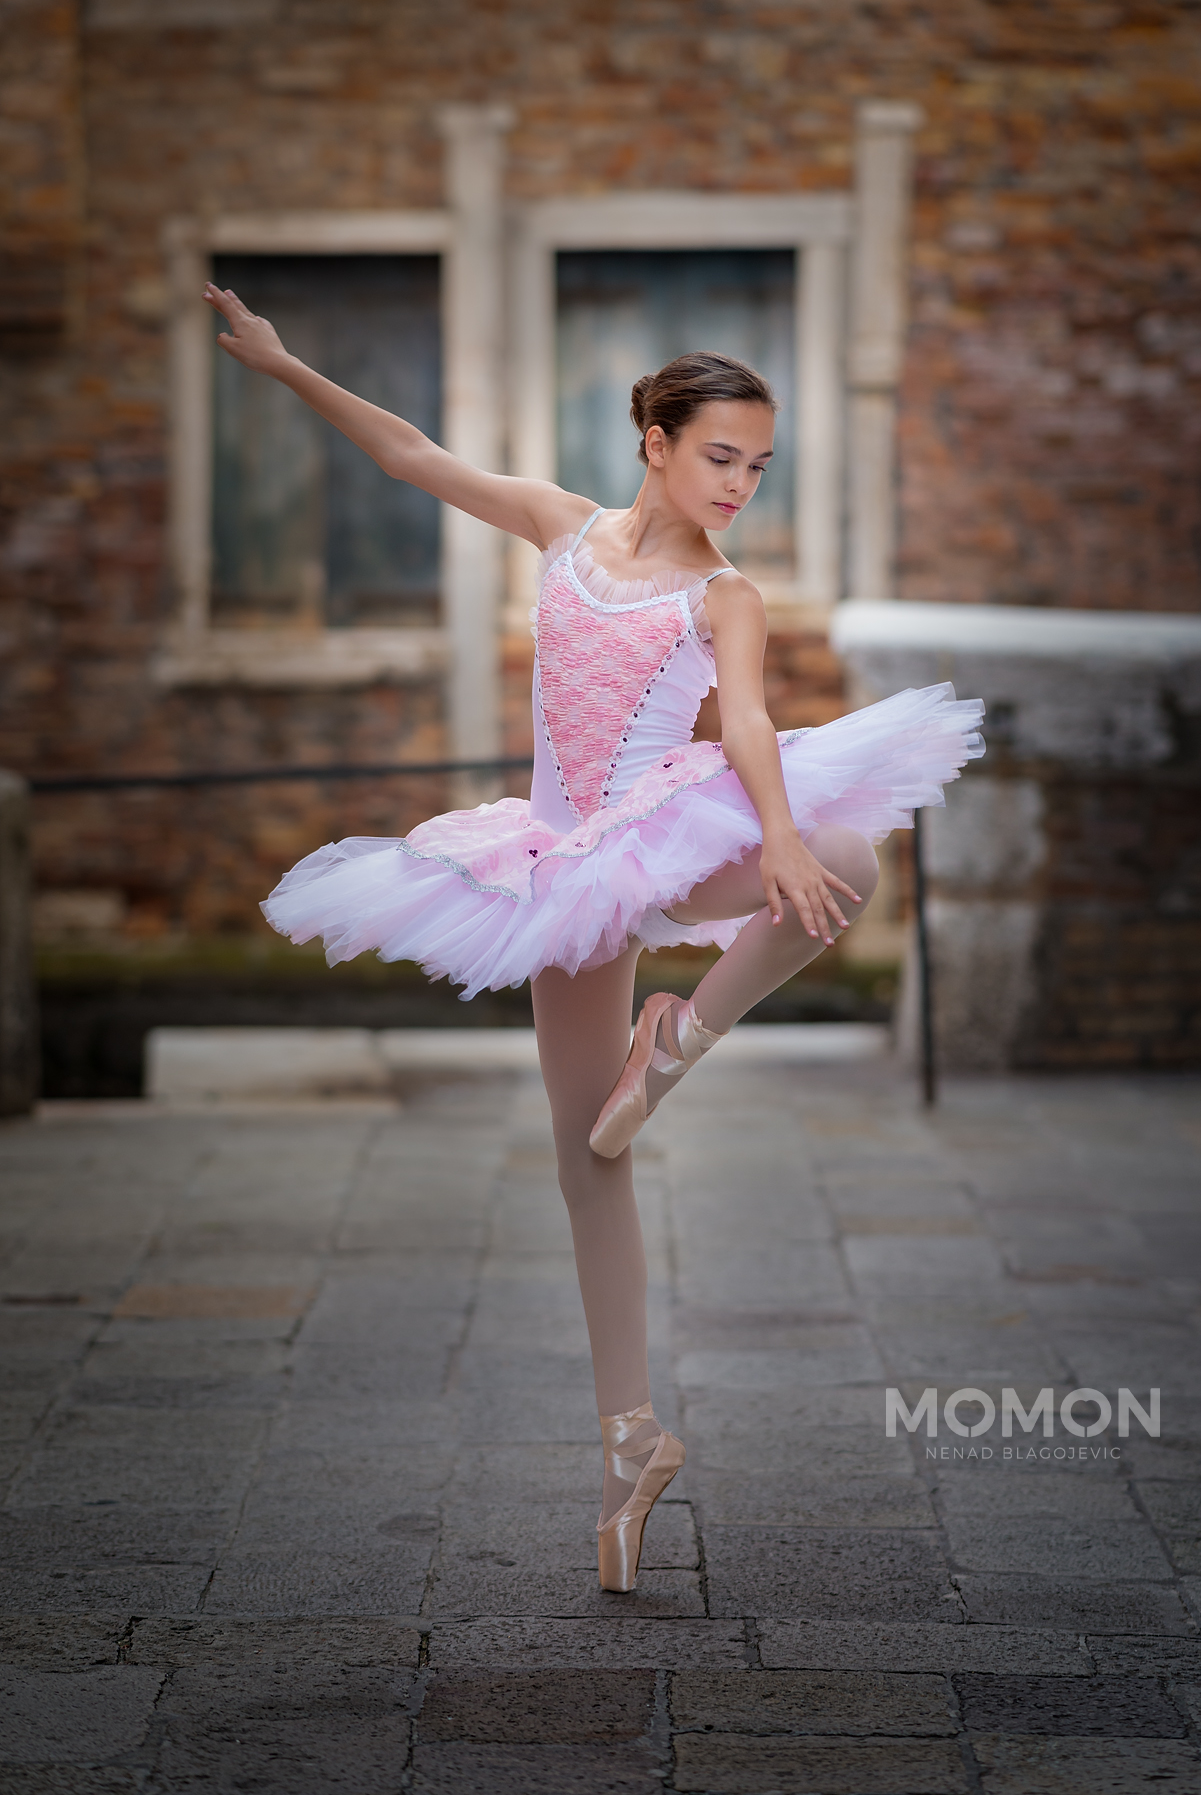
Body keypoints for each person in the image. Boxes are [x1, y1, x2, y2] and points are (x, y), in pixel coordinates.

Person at [203, 283, 984, 1592]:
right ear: (657, 444)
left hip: (665, 825)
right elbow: (413, 455)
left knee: (841, 855)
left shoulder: (724, 596)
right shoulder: (563, 532)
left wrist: (780, 832)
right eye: (721, 456)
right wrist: (287, 370)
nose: (741, 484)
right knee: (589, 1159)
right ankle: (630, 1443)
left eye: (760, 464)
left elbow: (741, 723)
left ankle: (681, 1033)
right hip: (556, 866)